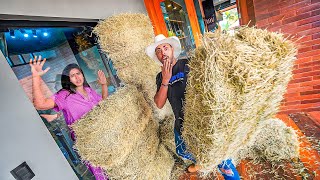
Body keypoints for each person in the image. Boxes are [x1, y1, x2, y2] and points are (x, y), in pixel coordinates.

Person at [146, 34, 240, 179]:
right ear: (157, 56)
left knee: (222, 161)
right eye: (158, 50)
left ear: (172, 50)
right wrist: (165, 79)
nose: (162, 52)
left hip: (202, 125)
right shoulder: (159, 77)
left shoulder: (188, 64)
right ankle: (203, 161)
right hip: (181, 124)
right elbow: (159, 103)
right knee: (182, 150)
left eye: (165, 47)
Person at [29, 56, 109, 180]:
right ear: (68, 79)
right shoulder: (64, 95)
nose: (77, 77)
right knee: (103, 175)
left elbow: (103, 103)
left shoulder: (89, 90)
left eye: (78, 73)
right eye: (72, 75)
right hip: (88, 145)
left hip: (104, 137)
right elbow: (40, 104)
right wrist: (35, 77)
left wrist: (104, 85)